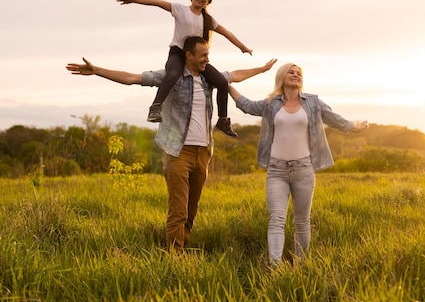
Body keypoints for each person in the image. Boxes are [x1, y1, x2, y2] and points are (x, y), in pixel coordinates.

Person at [67, 36, 276, 251]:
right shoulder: (170, 77)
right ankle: (175, 258)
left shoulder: (208, 79)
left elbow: (236, 75)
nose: (207, 59)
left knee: (191, 210)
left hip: (203, 151)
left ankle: (183, 248)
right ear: (189, 55)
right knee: (178, 210)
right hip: (178, 151)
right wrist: (97, 70)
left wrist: (261, 69)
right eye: (203, 55)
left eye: (208, 54)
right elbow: (132, 77)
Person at [228, 62, 368, 266]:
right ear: (282, 77)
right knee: (276, 219)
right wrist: (226, 85)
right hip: (277, 170)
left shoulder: (313, 102)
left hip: (304, 169)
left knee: (301, 221)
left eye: (299, 73)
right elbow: (247, 106)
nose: (295, 75)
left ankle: (300, 266)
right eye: (291, 72)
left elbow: (333, 118)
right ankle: (275, 268)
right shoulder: (271, 103)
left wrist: (354, 127)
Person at [115, 0, 253, 138]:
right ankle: (155, 107)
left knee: (221, 82)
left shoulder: (207, 20)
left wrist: (242, 47)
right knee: (173, 74)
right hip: (178, 54)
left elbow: (226, 32)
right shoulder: (180, 9)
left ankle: (223, 120)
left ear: (208, 1)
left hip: (196, 59)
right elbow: (157, 2)